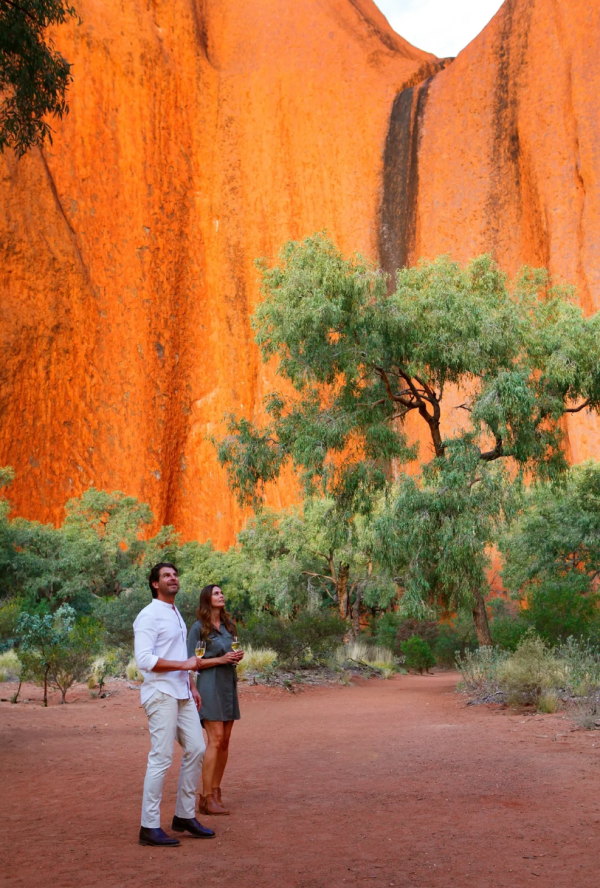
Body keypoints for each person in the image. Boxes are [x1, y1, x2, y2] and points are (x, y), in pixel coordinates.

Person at [133, 562, 216, 847]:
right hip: (160, 693)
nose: (173, 578)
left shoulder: (175, 612)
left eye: (175, 574)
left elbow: (179, 652)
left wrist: (191, 683)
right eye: (167, 576)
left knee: (197, 748)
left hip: (181, 692)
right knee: (161, 756)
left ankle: (183, 816)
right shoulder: (148, 616)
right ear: (155, 584)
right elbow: (144, 660)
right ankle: (149, 826)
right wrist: (184, 665)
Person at [187, 584, 243, 815]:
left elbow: (232, 652)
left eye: (222, 593)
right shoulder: (199, 628)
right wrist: (221, 660)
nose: (221, 596)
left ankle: (217, 791)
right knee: (216, 739)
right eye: (217, 593)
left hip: (228, 684)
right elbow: (192, 661)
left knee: (226, 740)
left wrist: (236, 656)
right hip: (209, 685)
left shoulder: (229, 625)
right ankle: (206, 797)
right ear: (207, 599)